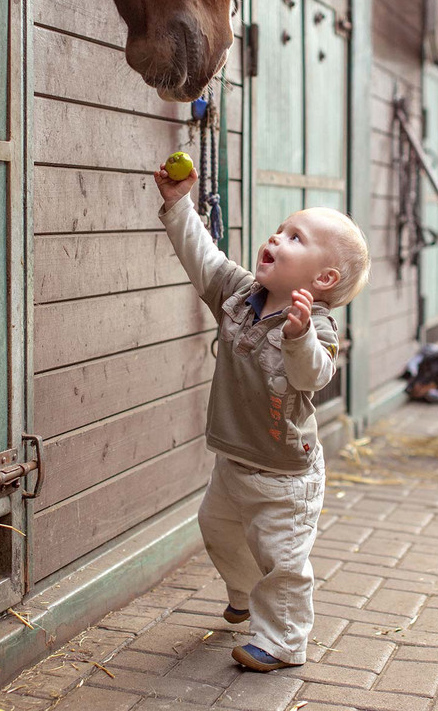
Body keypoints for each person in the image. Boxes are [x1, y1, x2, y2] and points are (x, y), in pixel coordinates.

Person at [154, 162, 371, 672]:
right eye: (280, 229)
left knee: (284, 560)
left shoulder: (315, 326)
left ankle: (283, 642)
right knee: (218, 528)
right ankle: (244, 595)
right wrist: (178, 203)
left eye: (294, 237)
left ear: (323, 278)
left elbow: (313, 376)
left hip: (284, 474)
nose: (276, 237)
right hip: (234, 458)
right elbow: (201, 256)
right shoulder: (236, 293)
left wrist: (297, 339)